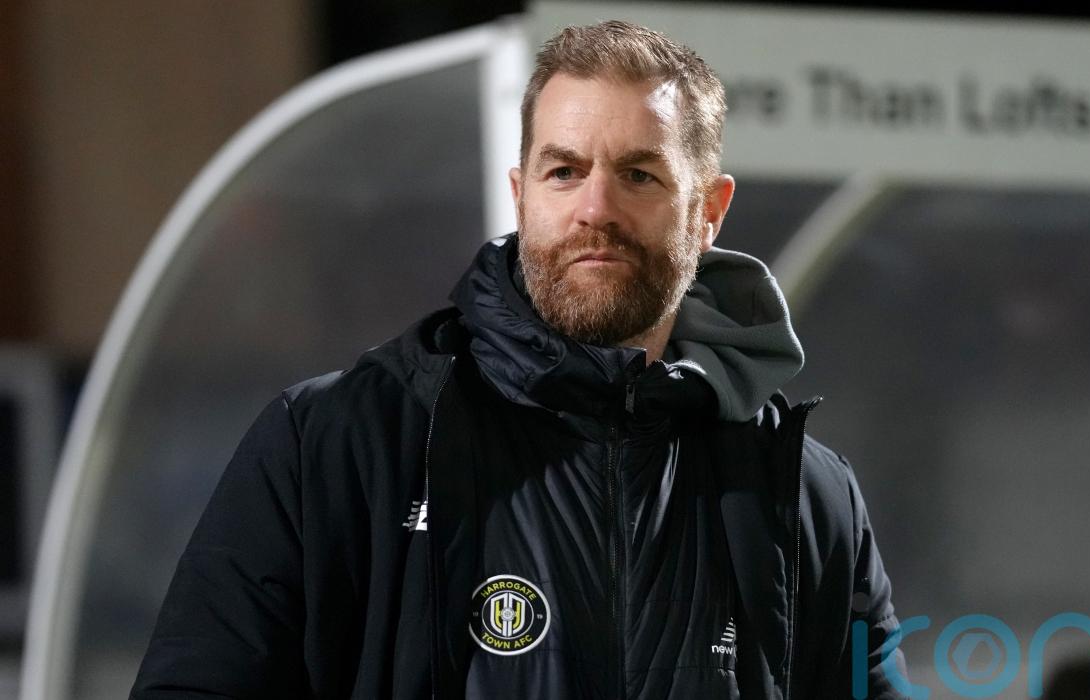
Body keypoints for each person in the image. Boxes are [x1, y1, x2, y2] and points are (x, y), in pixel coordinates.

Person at [132, 20, 907, 699]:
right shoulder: (337, 445)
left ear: (708, 211)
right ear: (521, 194)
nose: (595, 209)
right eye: (564, 171)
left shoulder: (803, 494)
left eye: (638, 175)